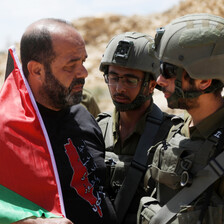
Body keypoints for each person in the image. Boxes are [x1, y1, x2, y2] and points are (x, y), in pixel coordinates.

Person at [17, 18, 117, 224]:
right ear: (36, 70)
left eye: (83, 61)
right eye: (71, 66)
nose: (84, 73)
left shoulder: (83, 116)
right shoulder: (10, 129)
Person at [138, 13, 224, 224]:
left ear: (203, 81)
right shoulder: (175, 131)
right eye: (160, 69)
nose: (159, 80)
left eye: (168, 71)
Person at [97, 32, 173, 224]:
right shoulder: (97, 129)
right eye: (113, 77)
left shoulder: (170, 135)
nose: (119, 88)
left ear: (151, 85)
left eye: (130, 80)